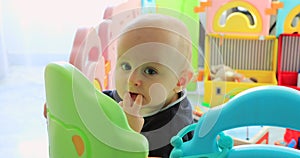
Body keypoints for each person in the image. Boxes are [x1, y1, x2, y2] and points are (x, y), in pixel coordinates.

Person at [103, 14, 194, 157]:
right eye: (126, 66)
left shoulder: (172, 130)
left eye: (150, 71)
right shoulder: (133, 94)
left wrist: (128, 132)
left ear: (180, 81)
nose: (132, 79)